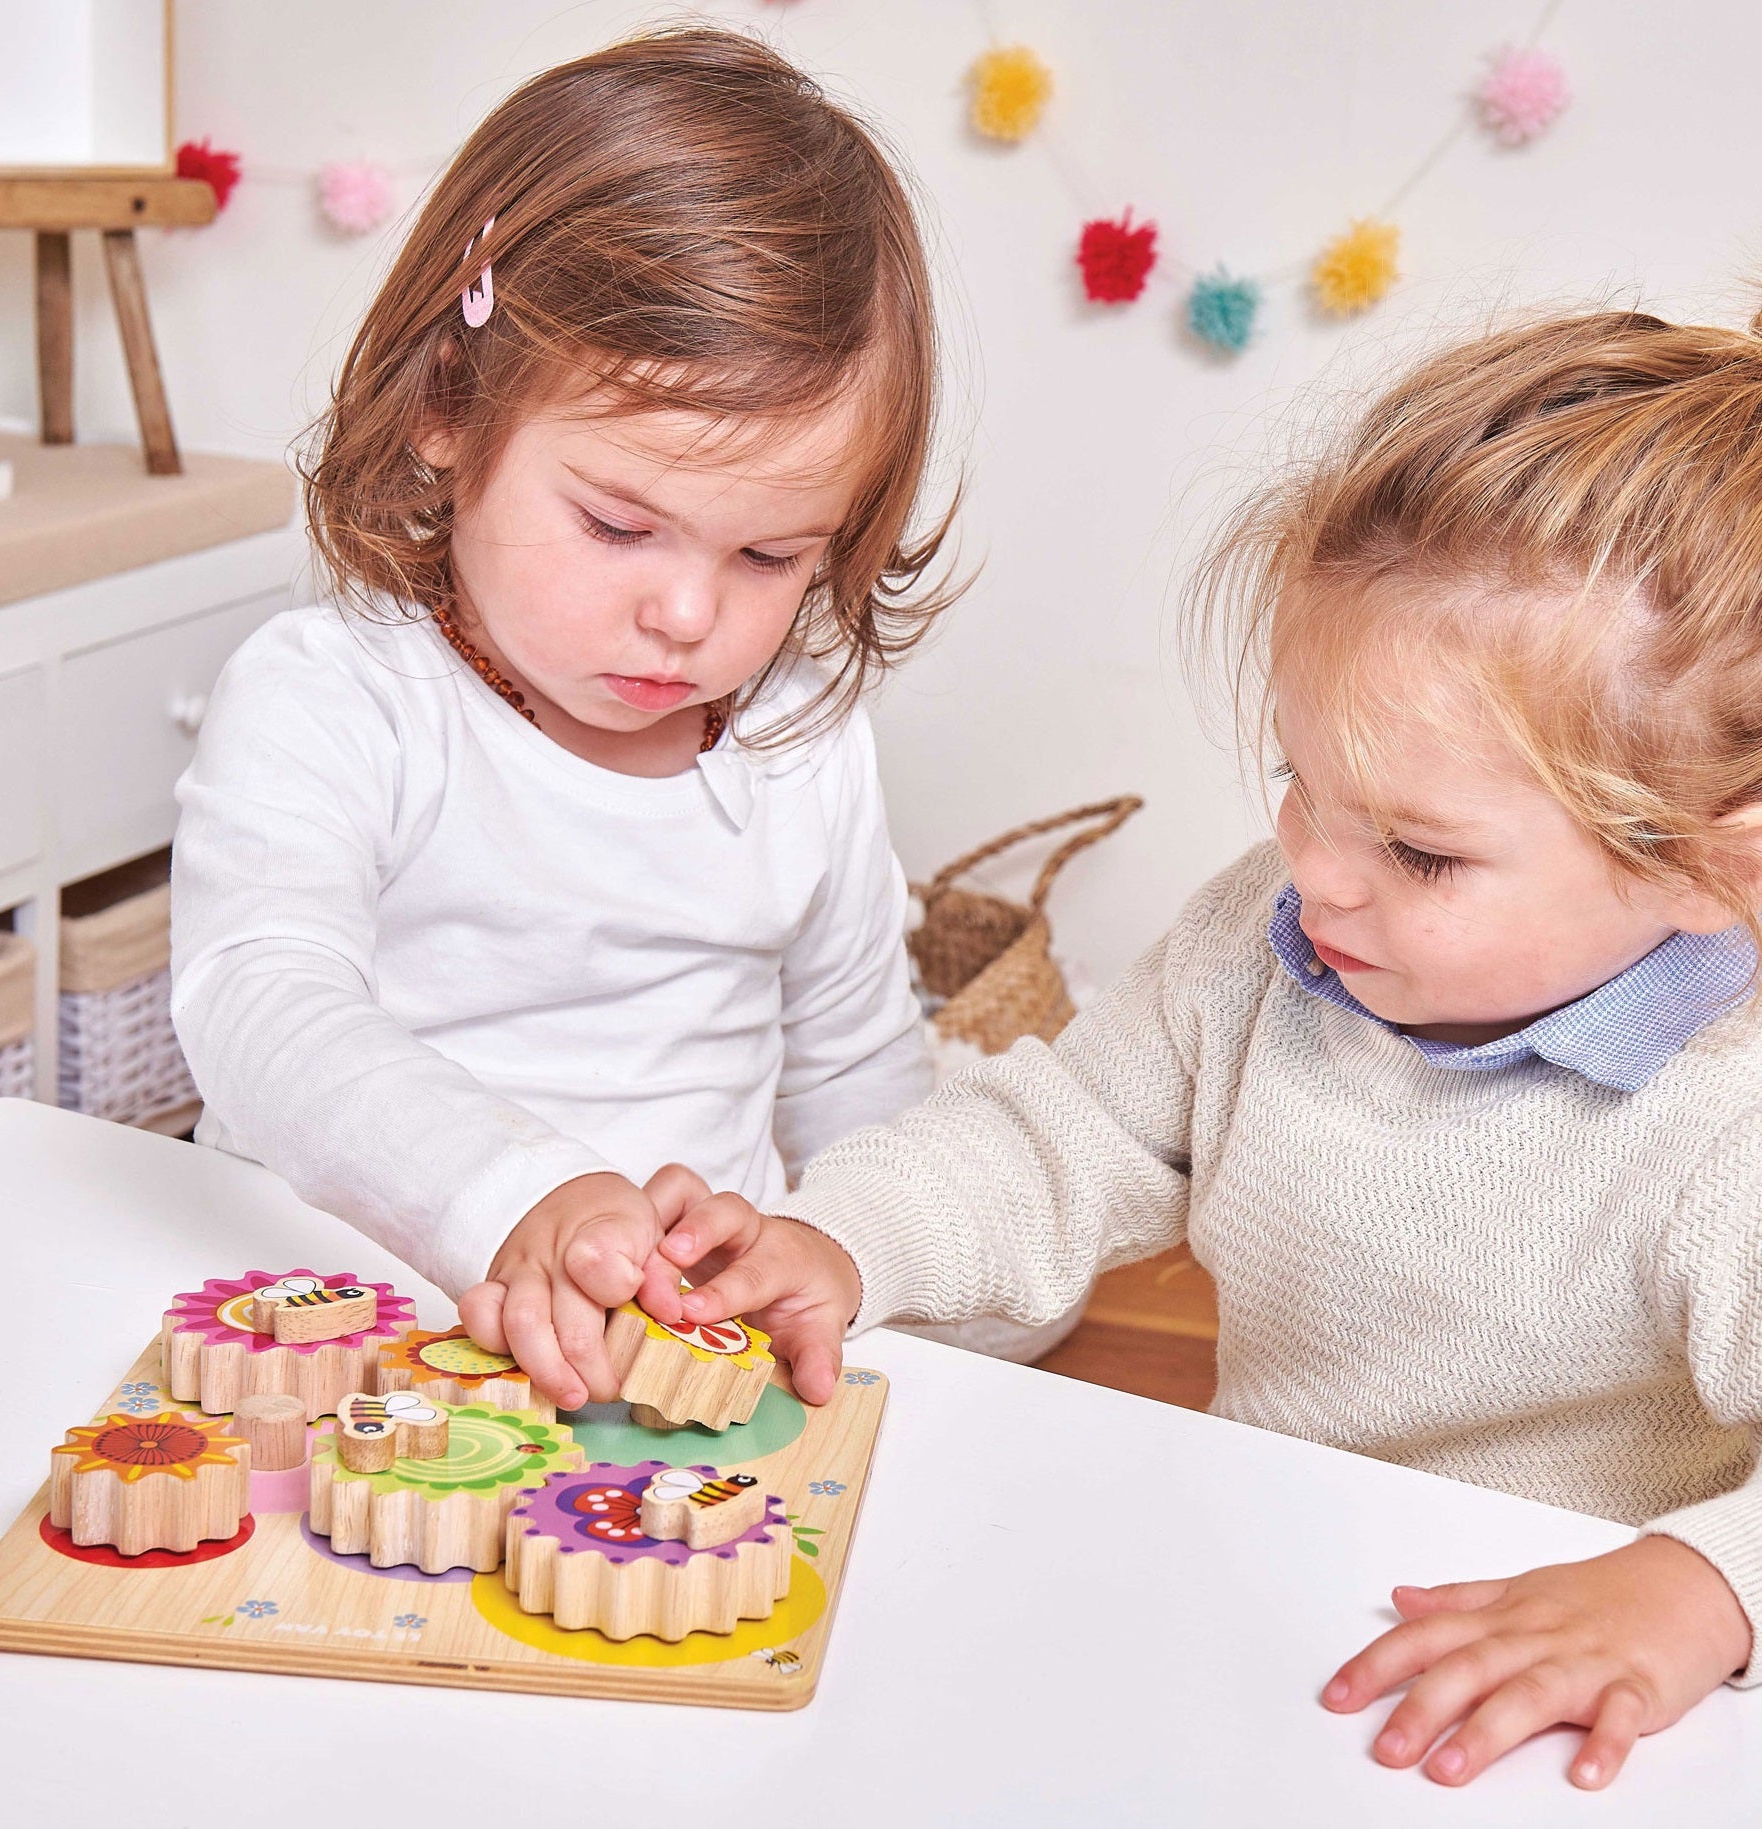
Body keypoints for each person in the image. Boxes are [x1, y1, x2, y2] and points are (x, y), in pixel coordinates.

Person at [649, 307, 1762, 1788]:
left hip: (1560, 1709)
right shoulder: (1266, 937)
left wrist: (1700, 1591)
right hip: (1266, 1584)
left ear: (1709, 869)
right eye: (1302, 781)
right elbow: (1062, 1138)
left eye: (1421, 853)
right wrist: (842, 1241)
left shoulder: (1724, 1121)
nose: (1319, 872)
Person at [171, 28, 957, 1414]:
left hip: (663, 1383)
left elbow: (858, 1070)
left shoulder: (798, 743)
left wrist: (878, 1272)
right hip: (335, 1350)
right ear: (447, 408)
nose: (687, 615)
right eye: (617, 524)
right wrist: (510, 1195)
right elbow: (260, 998)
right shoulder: (336, 697)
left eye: (771, 557)